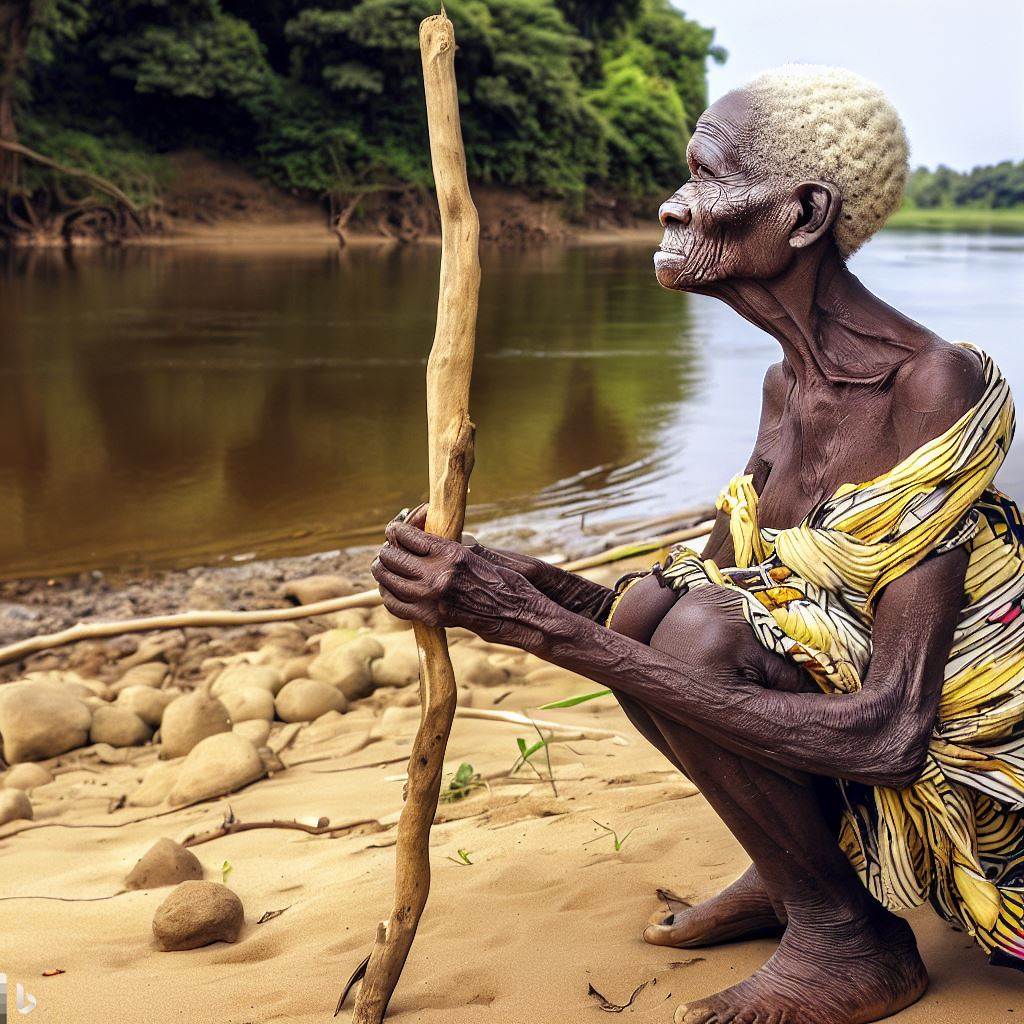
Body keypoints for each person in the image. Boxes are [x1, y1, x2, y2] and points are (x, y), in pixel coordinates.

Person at [371, 65, 1024, 1024]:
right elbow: (665, 603)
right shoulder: (783, 389)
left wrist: (540, 633)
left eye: (705, 177)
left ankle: (847, 937)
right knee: (651, 609)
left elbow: (890, 729)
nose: (675, 207)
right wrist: (493, 583)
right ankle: (799, 865)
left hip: (991, 801)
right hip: (866, 737)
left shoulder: (932, 387)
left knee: (700, 635)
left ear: (801, 215)